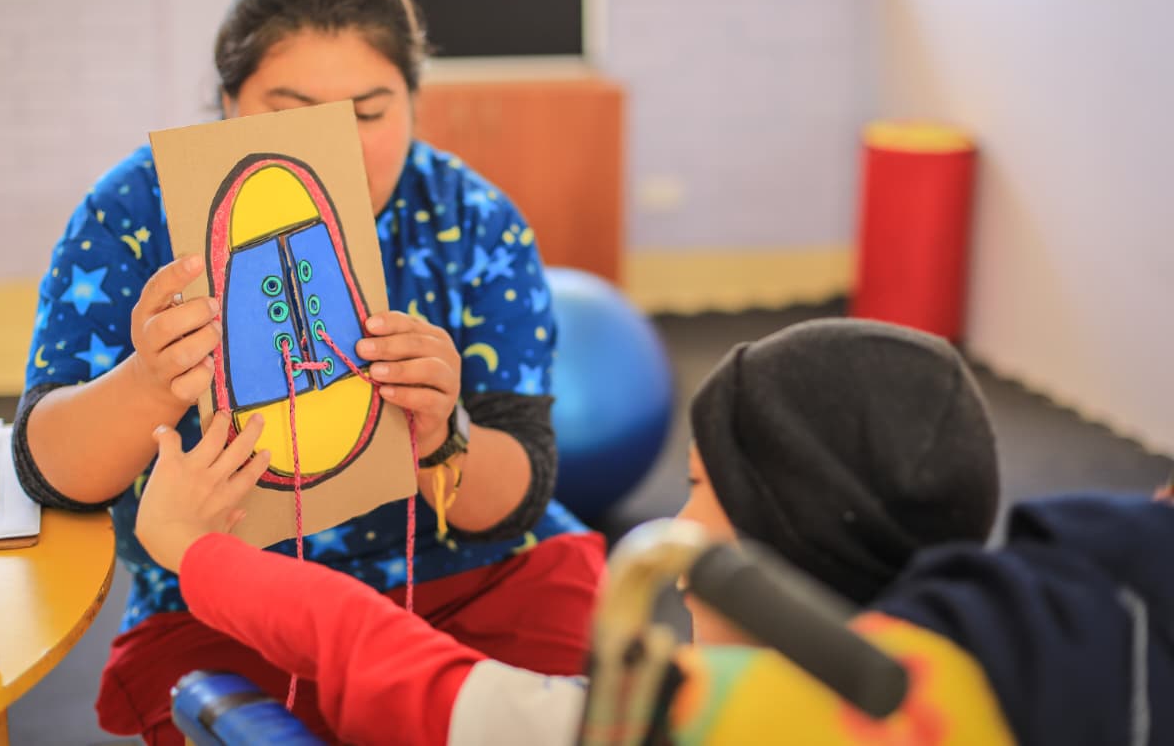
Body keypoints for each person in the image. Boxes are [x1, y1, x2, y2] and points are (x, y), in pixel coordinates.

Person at [13, 0, 603, 745]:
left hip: (467, 582)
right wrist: (149, 382)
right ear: (227, 103)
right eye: (288, 111)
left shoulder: (474, 220)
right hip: (222, 603)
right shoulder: (132, 213)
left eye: (369, 112)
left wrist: (441, 431)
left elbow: (519, 490)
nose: (335, 145)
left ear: (414, 105)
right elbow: (50, 472)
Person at [137, 317, 1005, 744]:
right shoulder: (990, 691)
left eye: (699, 489)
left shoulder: (659, 721)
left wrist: (194, 550)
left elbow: (370, 648)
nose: (675, 523)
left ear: (784, 540)